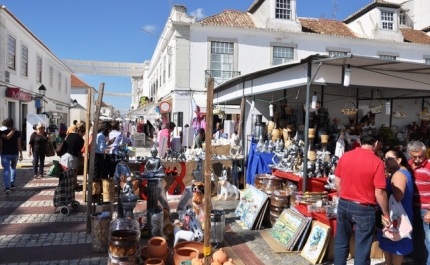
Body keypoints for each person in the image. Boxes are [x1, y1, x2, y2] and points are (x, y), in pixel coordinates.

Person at [334, 128, 391, 265]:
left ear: (360, 141)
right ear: (376, 143)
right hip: (364, 208)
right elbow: (380, 192)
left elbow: (337, 180)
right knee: (362, 248)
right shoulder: (377, 162)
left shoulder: (346, 156)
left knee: (341, 242)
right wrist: (386, 214)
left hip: (344, 203)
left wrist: (344, 197)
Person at [377, 149, 414, 265]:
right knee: (389, 240)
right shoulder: (399, 172)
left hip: (397, 214)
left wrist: (382, 197)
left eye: (389, 158)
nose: (385, 161)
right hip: (397, 213)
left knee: (396, 242)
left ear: (399, 160)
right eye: (385, 158)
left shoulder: (398, 174)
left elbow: (398, 196)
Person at [408, 140, 430, 264]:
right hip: (412, 208)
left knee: (429, 239)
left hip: (426, 209)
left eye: (420, 156)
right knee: (416, 238)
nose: (417, 159)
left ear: (425, 151)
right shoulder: (408, 165)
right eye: (414, 156)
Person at [60, 120, 86, 188]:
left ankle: (64, 185)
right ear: (80, 132)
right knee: (71, 173)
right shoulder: (81, 140)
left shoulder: (69, 134)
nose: (83, 135)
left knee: (65, 172)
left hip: (64, 156)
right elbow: (80, 150)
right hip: (72, 157)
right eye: (83, 133)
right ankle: (70, 186)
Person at [0, 118, 23, 194]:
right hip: (14, 153)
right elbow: (19, 144)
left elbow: (1, 144)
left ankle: (7, 187)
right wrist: (21, 153)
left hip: (5, 153)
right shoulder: (17, 133)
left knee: (6, 170)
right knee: (13, 168)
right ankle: (12, 184)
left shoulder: (1, 132)